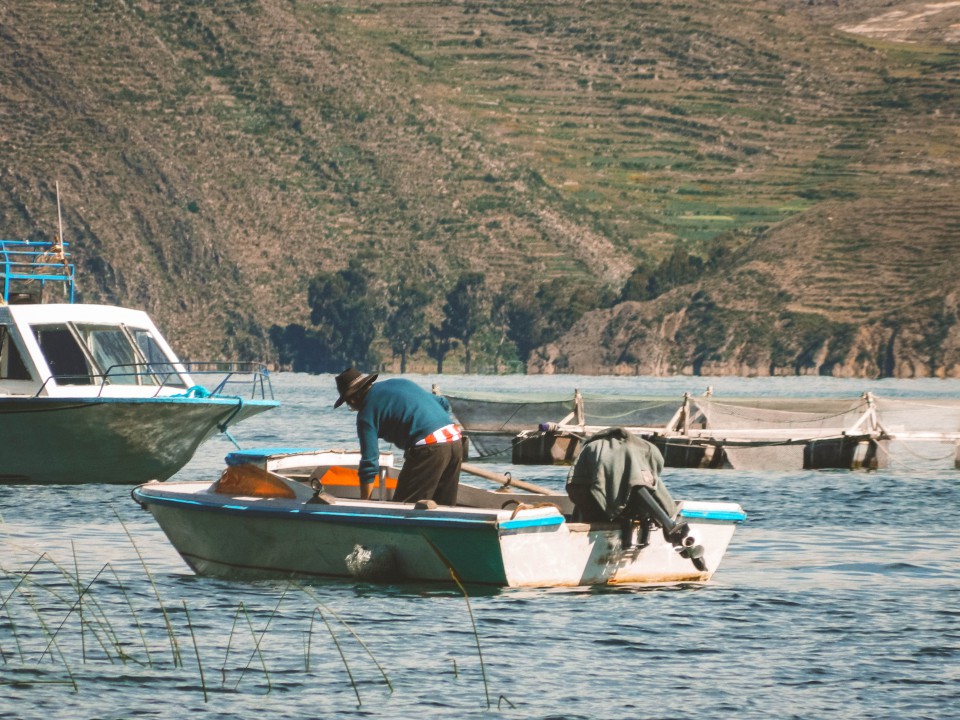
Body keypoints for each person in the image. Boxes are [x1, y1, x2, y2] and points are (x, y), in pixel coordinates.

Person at [334, 367, 463, 505]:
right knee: (445, 508)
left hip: (430, 447)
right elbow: (443, 403)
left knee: (403, 509)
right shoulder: (400, 383)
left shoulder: (366, 414)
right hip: (455, 439)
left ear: (352, 400)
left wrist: (365, 503)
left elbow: (369, 462)